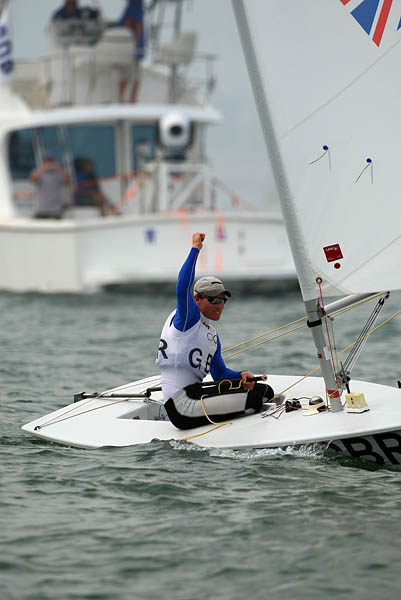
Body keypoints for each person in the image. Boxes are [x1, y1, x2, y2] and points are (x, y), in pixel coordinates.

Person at [156, 232, 275, 429]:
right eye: (214, 300)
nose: (220, 305)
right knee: (253, 400)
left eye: (223, 300)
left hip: (195, 393)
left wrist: (241, 375)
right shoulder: (187, 319)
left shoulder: (211, 335)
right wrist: (196, 248)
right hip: (179, 406)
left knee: (265, 391)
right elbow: (182, 287)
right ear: (197, 300)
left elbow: (220, 374)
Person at [117, 0, 145, 102]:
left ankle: (125, 100)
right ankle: (128, 100)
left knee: (130, 76)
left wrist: (134, 45)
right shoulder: (134, 6)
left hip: (131, 50)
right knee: (133, 76)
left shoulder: (135, 6)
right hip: (132, 49)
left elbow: (138, 26)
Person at [29, 154, 71, 219]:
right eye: (46, 161)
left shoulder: (58, 174)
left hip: (56, 209)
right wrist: (43, 169)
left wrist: (59, 169)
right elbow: (32, 179)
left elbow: (68, 182)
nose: (48, 164)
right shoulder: (39, 173)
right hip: (41, 209)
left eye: (50, 162)